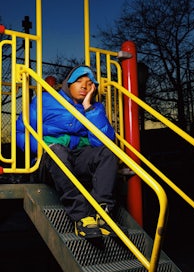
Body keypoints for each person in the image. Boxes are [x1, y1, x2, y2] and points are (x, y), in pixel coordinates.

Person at [16, 65, 118, 239]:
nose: (84, 86)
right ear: (67, 84)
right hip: (46, 160)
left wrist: (89, 109)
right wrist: (42, 147)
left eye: (89, 83)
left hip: (75, 158)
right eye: (79, 81)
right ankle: (81, 217)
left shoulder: (94, 108)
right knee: (57, 150)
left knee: (107, 153)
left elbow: (101, 141)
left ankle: (102, 214)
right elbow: (21, 130)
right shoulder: (45, 100)